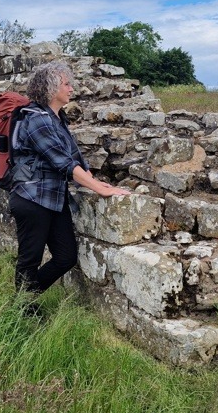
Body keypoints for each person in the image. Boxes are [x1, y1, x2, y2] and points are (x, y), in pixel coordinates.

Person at [7, 61, 130, 298]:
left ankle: (23, 297)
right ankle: (23, 311)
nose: (71, 89)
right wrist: (99, 190)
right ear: (52, 89)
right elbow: (62, 162)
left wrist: (96, 181)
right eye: (66, 84)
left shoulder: (56, 117)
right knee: (29, 260)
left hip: (54, 199)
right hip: (32, 199)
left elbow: (73, 156)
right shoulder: (36, 120)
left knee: (66, 257)